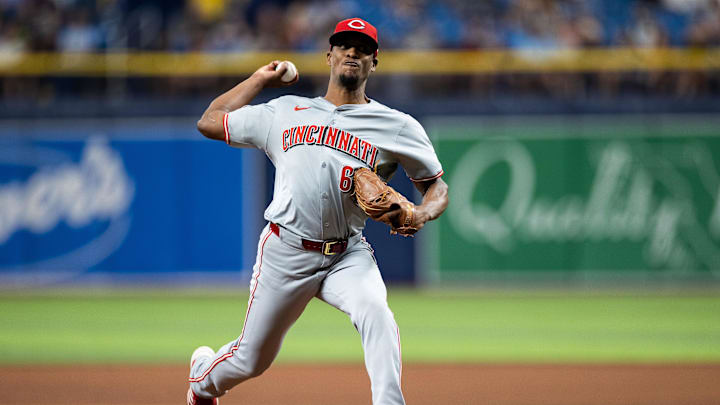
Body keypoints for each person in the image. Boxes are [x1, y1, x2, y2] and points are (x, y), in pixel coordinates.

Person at [187, 18, 449, 405]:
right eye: (344, 45)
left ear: (374, 61)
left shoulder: (397, 126)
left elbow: (437, 187)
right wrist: (259, 79)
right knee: (251, 360)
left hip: (347, 253)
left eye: (362, 47)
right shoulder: (285, 111)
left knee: (375, 310)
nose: (353, 52)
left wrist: (421, 214)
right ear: (329, 55)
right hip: (285, 251)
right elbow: (209, 121)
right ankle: (201, 383)